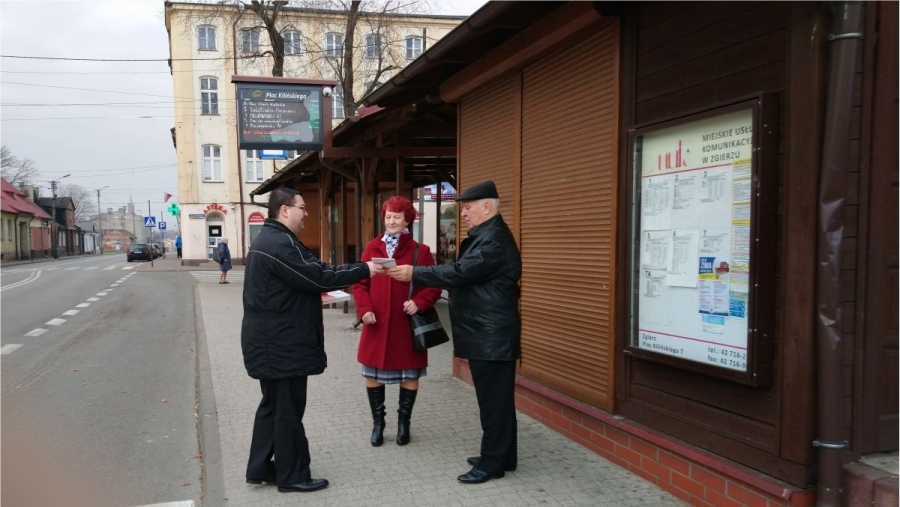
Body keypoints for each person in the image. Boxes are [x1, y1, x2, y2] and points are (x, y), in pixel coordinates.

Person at [241, 187, 384, 493]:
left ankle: (260, 467)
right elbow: (318, 277)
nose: (306, 213)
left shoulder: (274, 239)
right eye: (302, 208)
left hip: (273, 342)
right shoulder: (279, 244)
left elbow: (314, 271)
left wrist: (357, 269)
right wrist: (365, 269)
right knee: (287, 411)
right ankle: (292, 476)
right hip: (281, 345)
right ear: (284, 210)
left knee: (273, 406)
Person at [388, 180, 521, 485]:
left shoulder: (493, 239)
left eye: (467, 208)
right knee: (497, 401)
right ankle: (504, 456)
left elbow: (461, 272)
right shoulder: (487, 235)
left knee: (493, 403)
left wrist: (415, 273)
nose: (462, 213)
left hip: (491, 335)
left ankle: (492, 463)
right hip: (488, 332)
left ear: (486, 207)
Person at [352, 196, 442, 447]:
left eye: (397, 217)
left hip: (406, 326)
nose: (391, 221)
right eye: (388, 216)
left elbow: (434, 284)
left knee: (409, 376)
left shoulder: (420, 251)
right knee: (373, 375)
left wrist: (419, 302)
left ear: (407, 220)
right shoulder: (372, 247)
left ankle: (404, 423)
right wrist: (365, 310)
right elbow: (359, 284)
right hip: (377, 325)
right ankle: (378, 424)